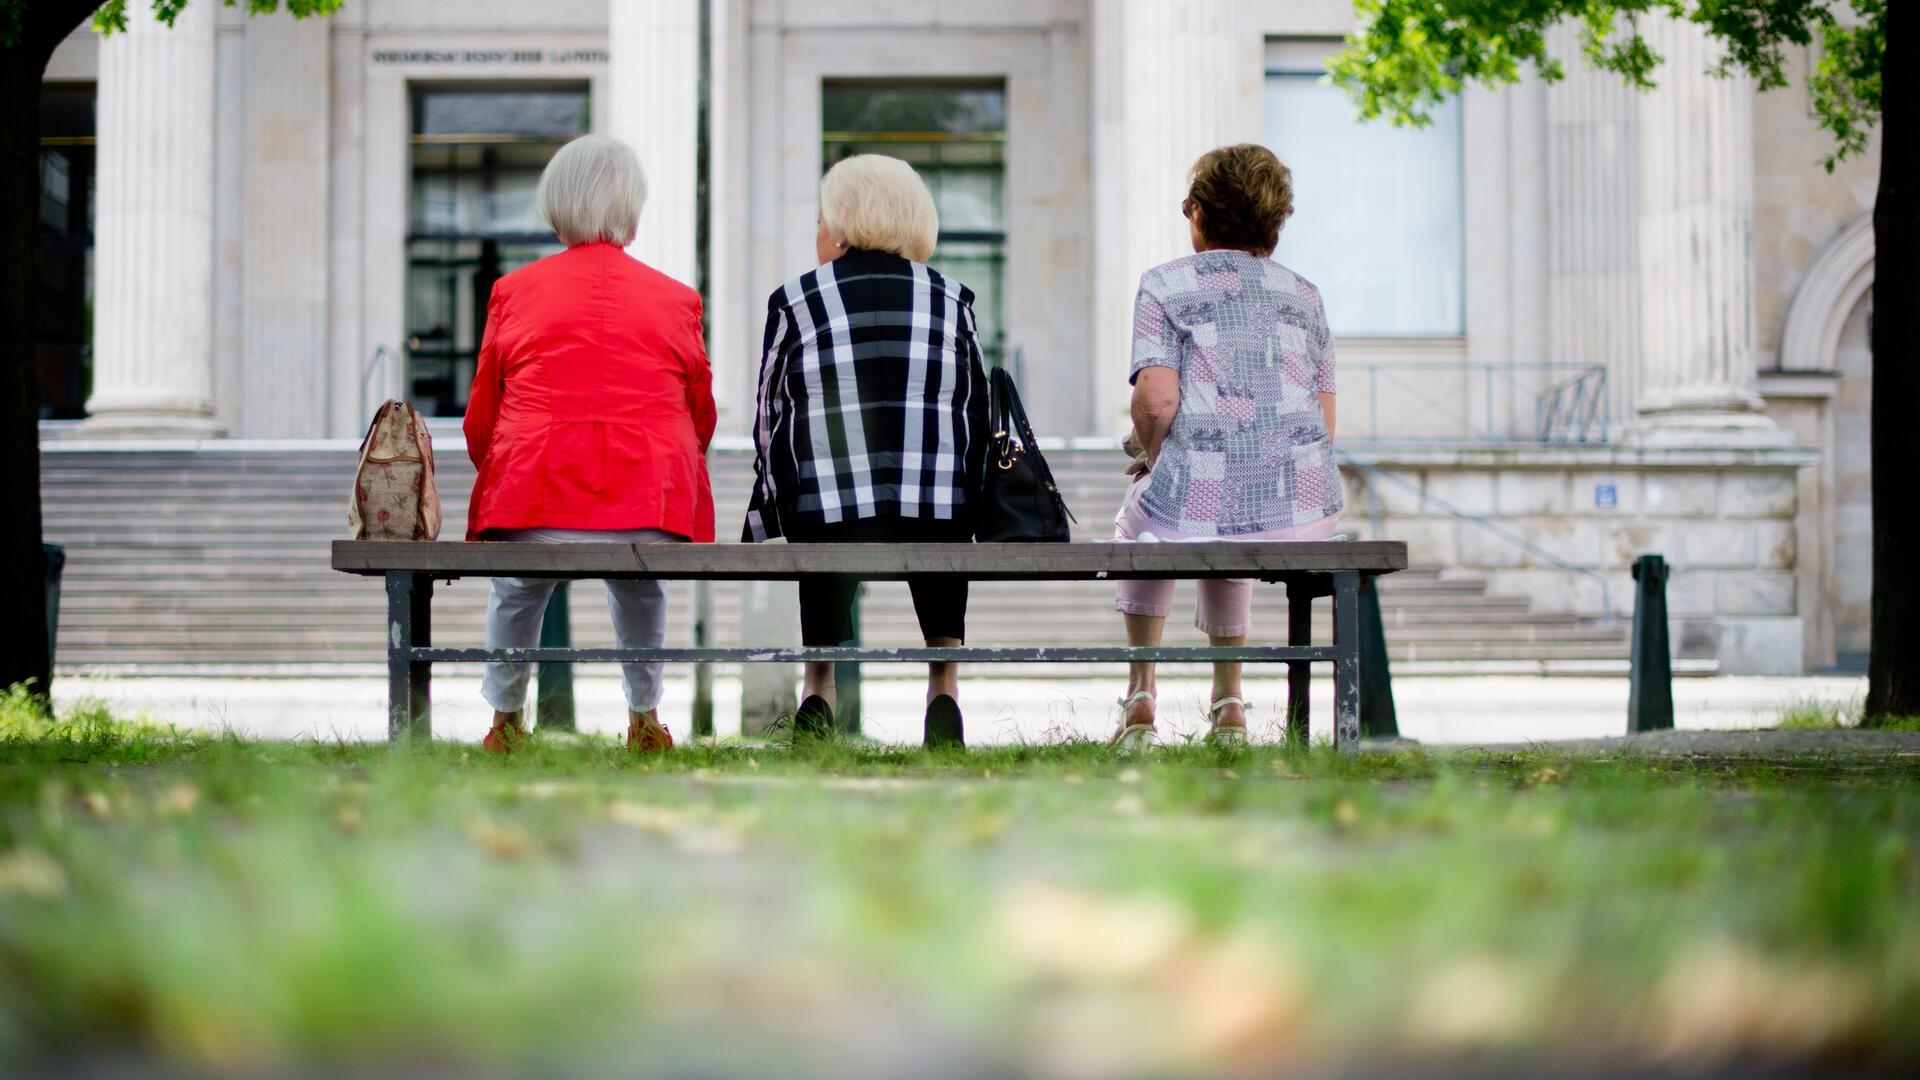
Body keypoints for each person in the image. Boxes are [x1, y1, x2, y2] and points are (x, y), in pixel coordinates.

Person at [464, 134, 716, 755]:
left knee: (515, 591)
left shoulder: (513, 292)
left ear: (558, 203)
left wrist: (499, 471)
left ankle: (503, 721)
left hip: (535, 494)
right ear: (631, 204)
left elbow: (483, 416)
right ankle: (645, 716)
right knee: (640, 586)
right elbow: (699, 413)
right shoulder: (677, 298)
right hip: (646, 505)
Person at [744, 154, 991, 747]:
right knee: (939, 508)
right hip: (934, 510)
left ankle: (819, 689)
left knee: (825, 504)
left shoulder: (797, 300)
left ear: (843, 222)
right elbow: (976, 411)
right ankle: (943, 690)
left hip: (832, 512)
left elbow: (769, 417)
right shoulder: (952, 299)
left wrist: (776, 501)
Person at [1110, 143, 1342, 748]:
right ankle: (1230, 704)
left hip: (1207, 499)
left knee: (1149, 523)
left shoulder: (1165, 285)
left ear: (1200, 214)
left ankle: (1140, 696)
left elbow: (1156, 401)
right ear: (1275, 222)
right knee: (1227, 513)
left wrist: (1155, 456)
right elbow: (1324, 418)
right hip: (1303, 511)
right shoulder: (1307, 295)